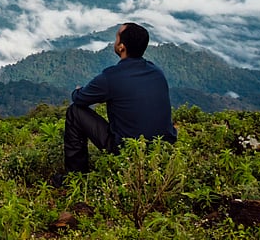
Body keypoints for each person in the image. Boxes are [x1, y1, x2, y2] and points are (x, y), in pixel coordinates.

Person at [62, 22, 176, 176]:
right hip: (163, 149)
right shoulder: (157, 72)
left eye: (116, 37)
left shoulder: (111, 77)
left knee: (74, 112)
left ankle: (75, 175)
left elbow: (79, 99)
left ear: (121, 47)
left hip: (128, 151)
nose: (114, 42)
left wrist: (77, 91)